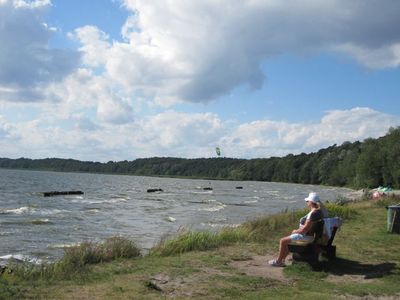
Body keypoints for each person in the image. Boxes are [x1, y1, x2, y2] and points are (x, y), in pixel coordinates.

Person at [268, 192, 326, 267]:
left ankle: (279, 262)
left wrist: (295, 231)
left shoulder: (313, 213)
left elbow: (304, 229)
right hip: (309, 236)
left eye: (307, 201)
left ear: (311, 202)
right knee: (287, 240)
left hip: (305, 237)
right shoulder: (318, 212)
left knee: (283, 241)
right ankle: (282, 260)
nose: (306, 202)